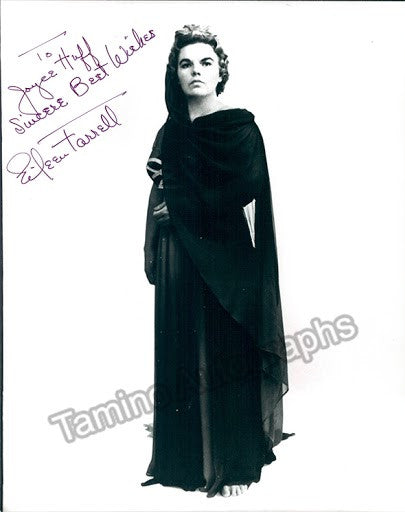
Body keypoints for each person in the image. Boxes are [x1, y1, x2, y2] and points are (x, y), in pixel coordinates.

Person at [142, 24, 292, 498]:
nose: (196, 71)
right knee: (180, 345)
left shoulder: (239, 126)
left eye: (206, 62)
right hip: (178, 255)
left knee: (225, 349)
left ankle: (233, 463)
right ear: (175, 73)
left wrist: (180, 202)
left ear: (220, 71)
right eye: (186, 64)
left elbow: (244, 187)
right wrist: (160, 211)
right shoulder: (170, 129)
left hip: (225, 256)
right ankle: (184, 461)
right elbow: (160, 185)